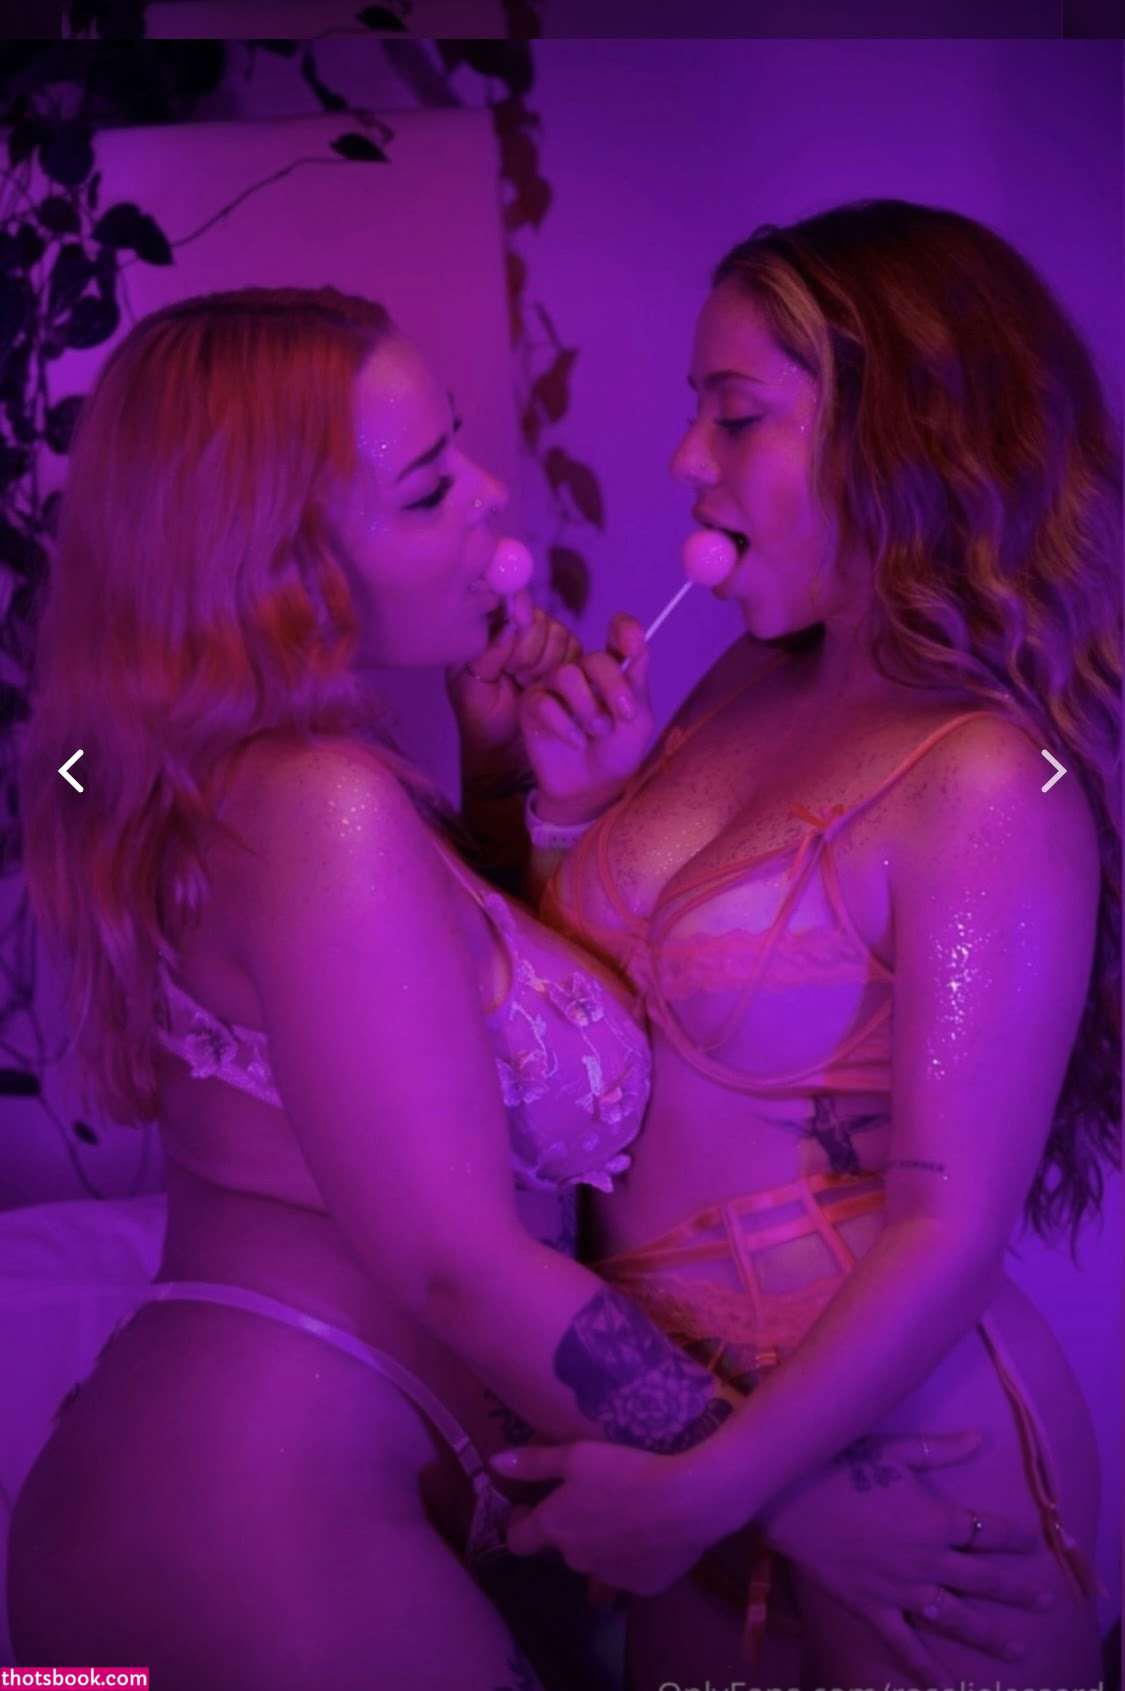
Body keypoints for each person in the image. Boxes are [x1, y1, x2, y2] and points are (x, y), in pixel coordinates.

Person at [10, 284, 1056, 1691]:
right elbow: (456, 1259)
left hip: (218, 1512)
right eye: (429, 487)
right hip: (244, 1530)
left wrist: (513, 790)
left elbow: (430, 1041)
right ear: (281, 562)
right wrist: (786, 1502)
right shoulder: (318, 807)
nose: (492, 497)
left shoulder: (252, 784)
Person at [503, 199, 1120, 1686]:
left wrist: (710, 1492)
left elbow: (945, 1227)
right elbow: (605, 1057)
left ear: (899, 436)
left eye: (735, 416)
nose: (684, 461)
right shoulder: (742, 682)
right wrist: (572, 814)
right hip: (694, 1446)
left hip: (909, 1482)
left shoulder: (991, 778)